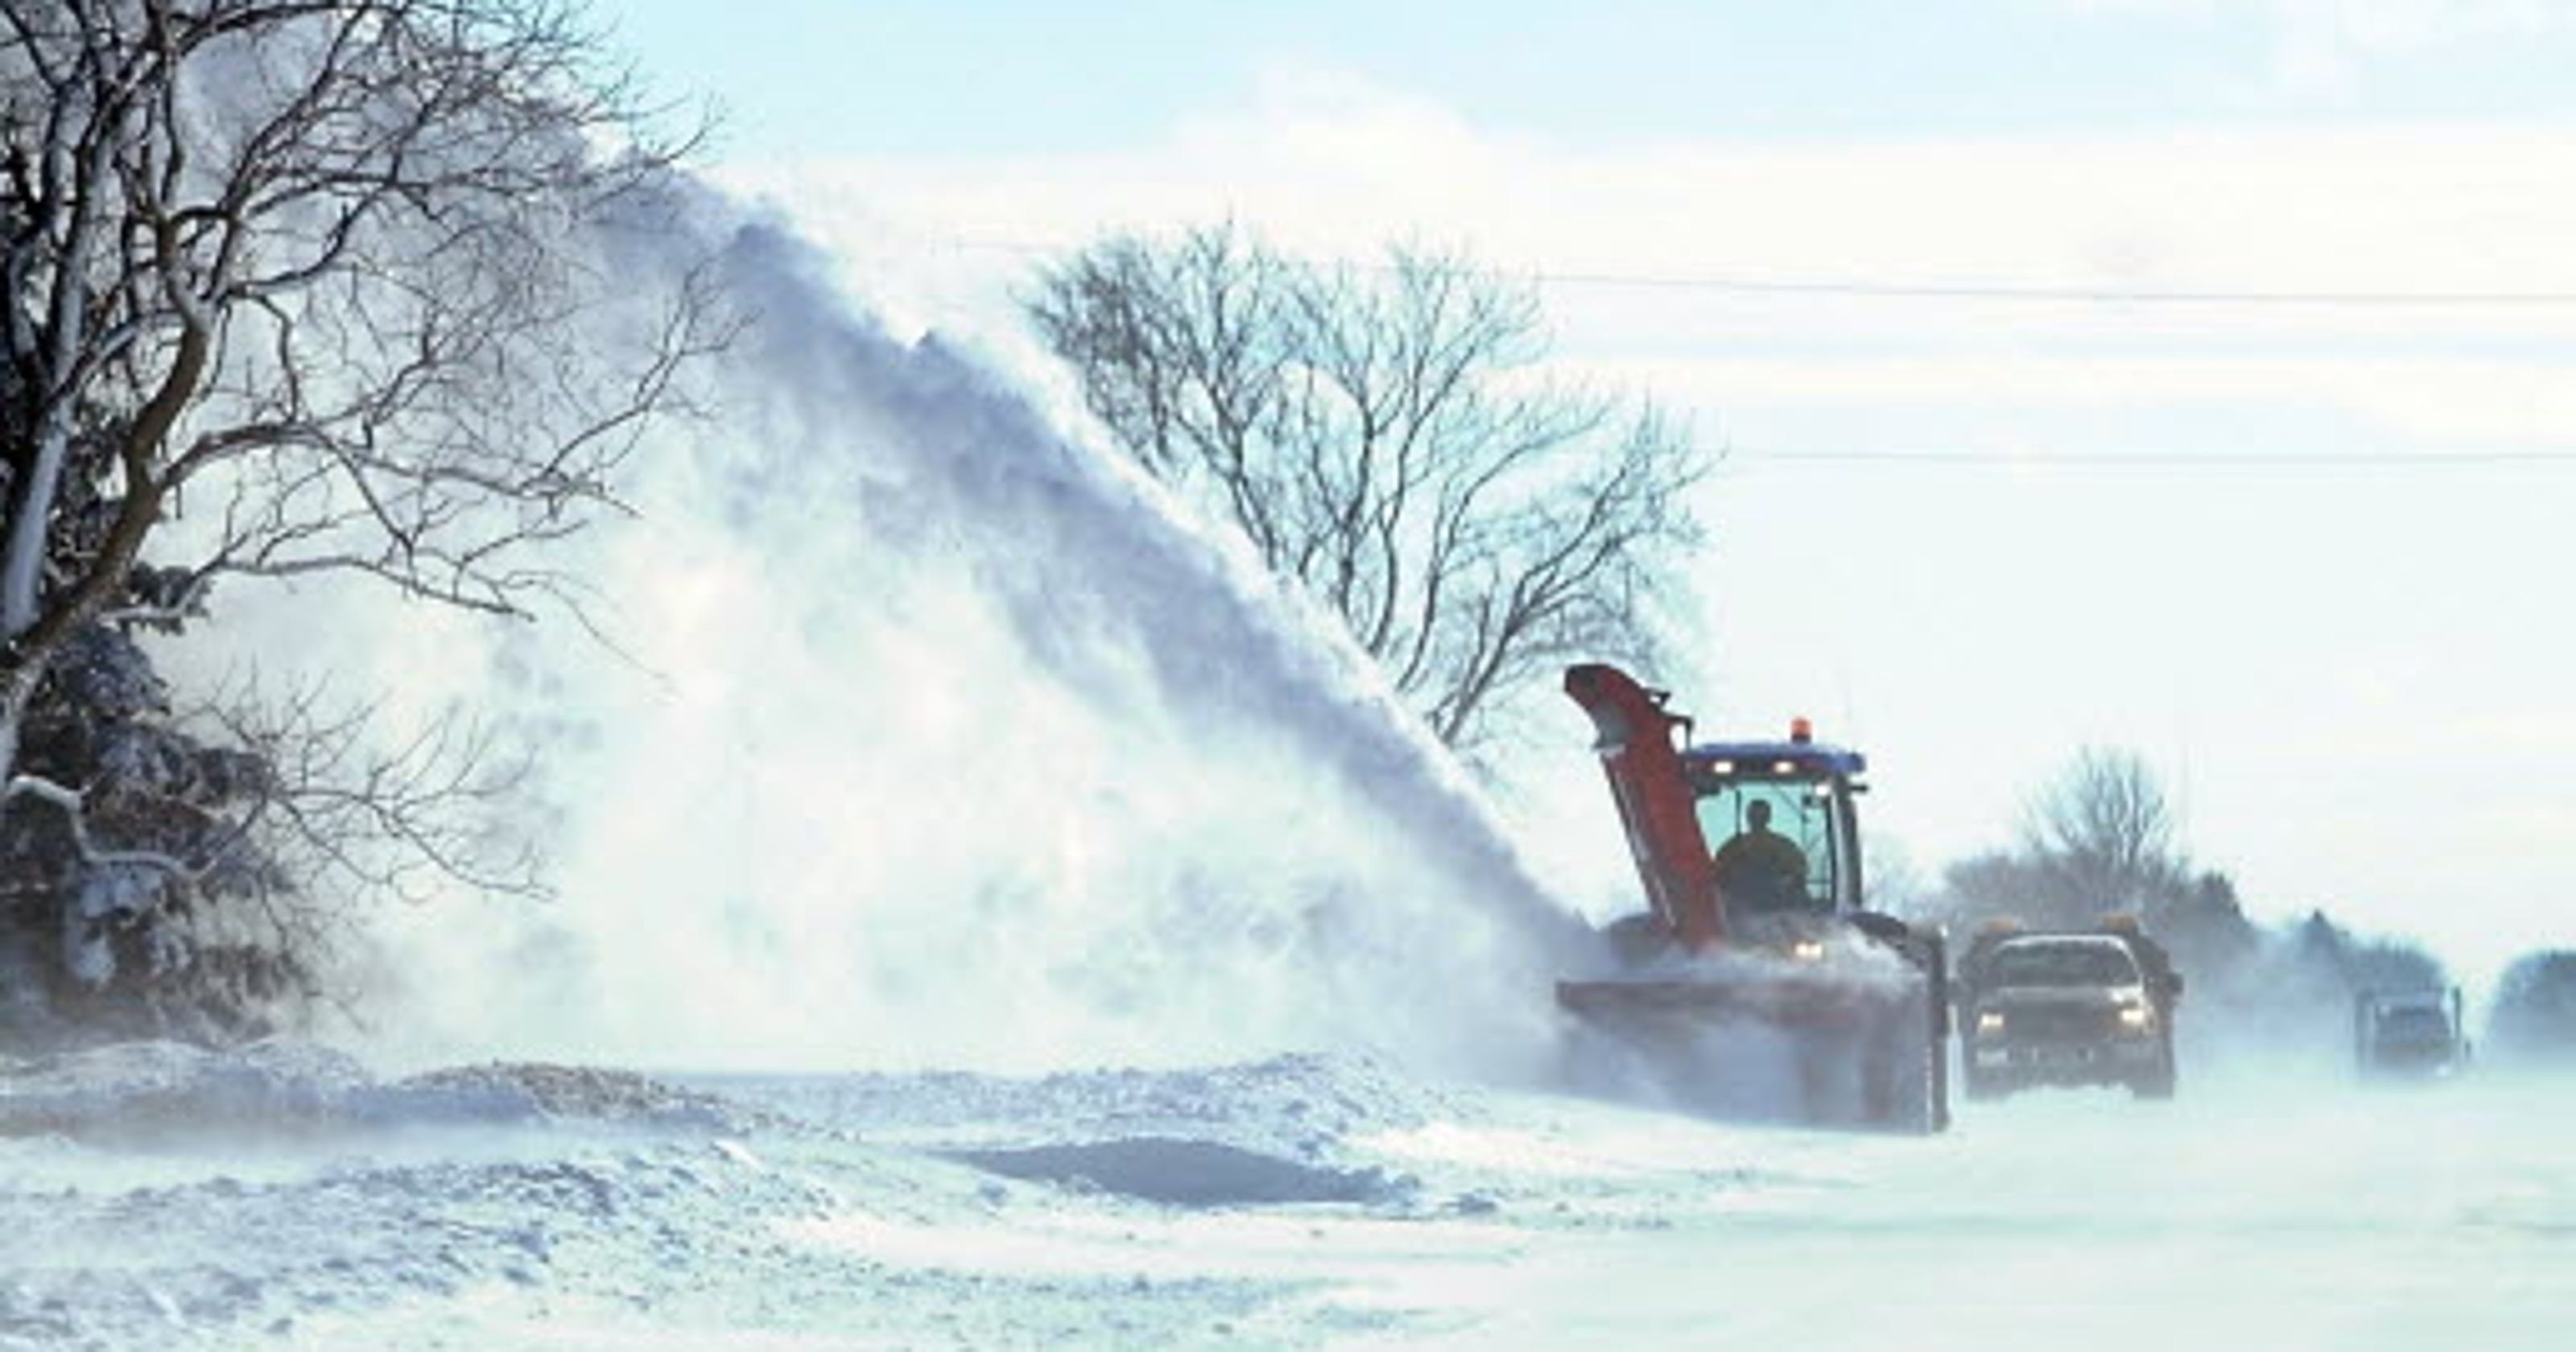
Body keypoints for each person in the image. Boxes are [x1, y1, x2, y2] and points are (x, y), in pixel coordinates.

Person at [1711, 799, 1810, 913]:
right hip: (1740, 910)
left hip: (1778, 909)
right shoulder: (1734, 847)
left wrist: (1783, 883)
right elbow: (1717, 875)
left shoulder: (1783, 846)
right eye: (1755, 816)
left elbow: (1799, 874)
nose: (1757, 819)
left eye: (1760, 816)